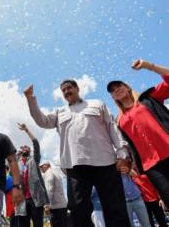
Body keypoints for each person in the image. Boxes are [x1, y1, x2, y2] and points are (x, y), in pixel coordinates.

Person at [24, 81, 131, 227]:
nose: (67, 91)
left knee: (115, 207)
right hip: (75, 166)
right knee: (78, 210)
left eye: (69, 88)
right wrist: (30, 98)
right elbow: (42, 121)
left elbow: (112, 128)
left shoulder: (97, 104)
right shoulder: (59, 112)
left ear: (77, 88)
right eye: (63, 90)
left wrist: (122, 154)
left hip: (106, 162)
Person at [107, 59, 169, 207]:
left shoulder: (148, 98)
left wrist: (149, 66)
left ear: (127, 87)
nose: (116, 89)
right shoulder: (119, 121)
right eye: (112, 90)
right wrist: (125, 162)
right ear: (113, 97)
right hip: (151, 165)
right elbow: (125, 145)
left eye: (119, 85)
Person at [15, 123, 49, 227]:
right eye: (22, 147)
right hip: (22, 201)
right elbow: (9, 169)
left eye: (26, 147)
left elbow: (36, 143)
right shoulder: (18, 163)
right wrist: (17, 155)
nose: (24, 147)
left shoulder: (34, 160)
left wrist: (27, 130)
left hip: (35, 199)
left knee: (38, 224)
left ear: (30, 150)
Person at [40, 160, 67, 227]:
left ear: (46, 165)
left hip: (55, 206)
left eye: (41, 166)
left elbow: (49, 189)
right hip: (63, 205)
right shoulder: (56, 173)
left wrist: (46, 205)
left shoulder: (48, 173)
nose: (40, 169)